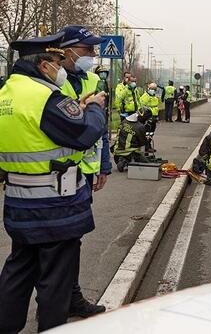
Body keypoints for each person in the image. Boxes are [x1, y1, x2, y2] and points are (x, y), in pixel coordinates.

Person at [0, 33, 106, 332]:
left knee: (18, 270)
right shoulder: (46, 96)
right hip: (56, 205)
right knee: (55, 280)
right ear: (45, 65)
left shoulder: (6, 94)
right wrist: (95, 107)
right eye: (59, 61)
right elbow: (85, 133)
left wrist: (77, 110)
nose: (61, 67)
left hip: (19, 202)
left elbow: (36, 133)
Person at [58, 25, 111, 318]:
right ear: (67, 51)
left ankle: (68, 297)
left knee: (73, 237)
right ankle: (56, 301)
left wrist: (103, 165)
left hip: (84, 173)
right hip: (57, 172)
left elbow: (99, 125)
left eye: (94, 49)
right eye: (87, 49)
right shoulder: (53, 80)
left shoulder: (92, 79)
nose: (92, 55)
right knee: (58, 240)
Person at [112, 107, 152, 172]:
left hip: (116, 153)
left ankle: (122, 160)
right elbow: (142, 143)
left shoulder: (124, 121)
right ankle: (127, 160)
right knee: (147, 164)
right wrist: (146, 140)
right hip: (130, 154)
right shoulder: (139, 127)